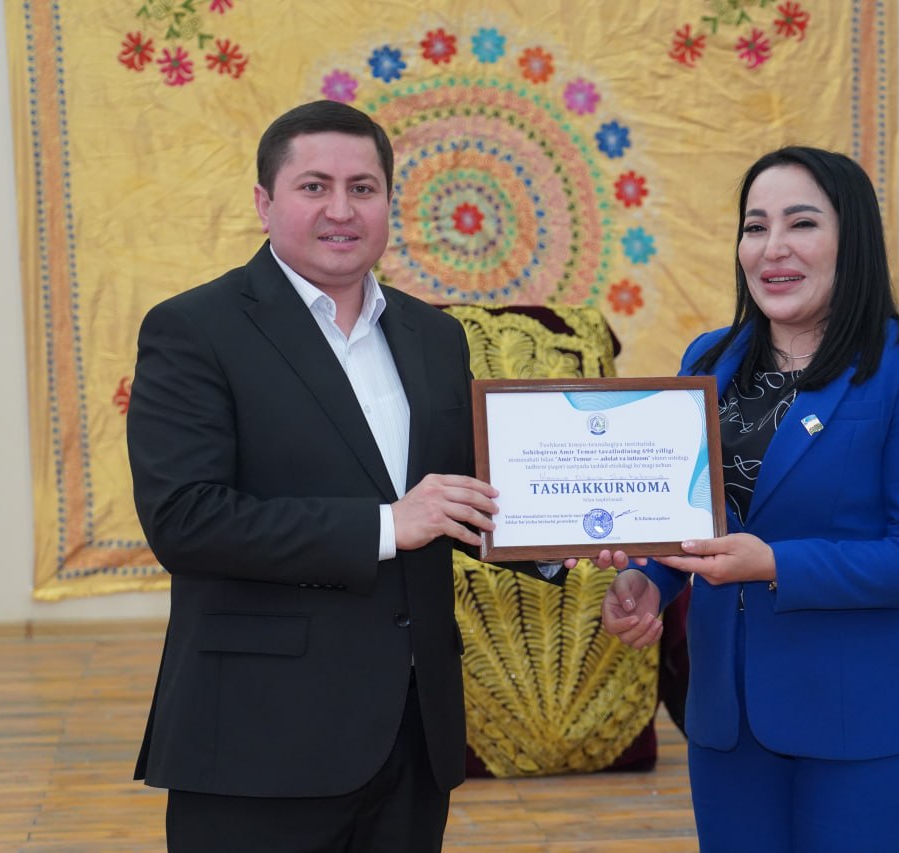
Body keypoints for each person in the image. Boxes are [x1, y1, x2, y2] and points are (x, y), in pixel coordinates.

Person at [127, 100, 541, 853]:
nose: (342, 210)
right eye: (314, 186)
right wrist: (386, 525)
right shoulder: (194, 329)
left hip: (413, 733)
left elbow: (458, 495)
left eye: (363, 188)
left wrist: (571, 537)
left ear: (389, 203)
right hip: (258, 738)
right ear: (265, 203)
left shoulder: (435, 334)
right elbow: (186, 518)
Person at [596, 146, 899, 852]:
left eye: (801, 223)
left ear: (851, 239)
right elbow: (691, 521)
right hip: (727, 722)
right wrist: (648, 581)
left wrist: (774, 563)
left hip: (866, 722)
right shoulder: (709, 359)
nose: (773, 248)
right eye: (755, 226)